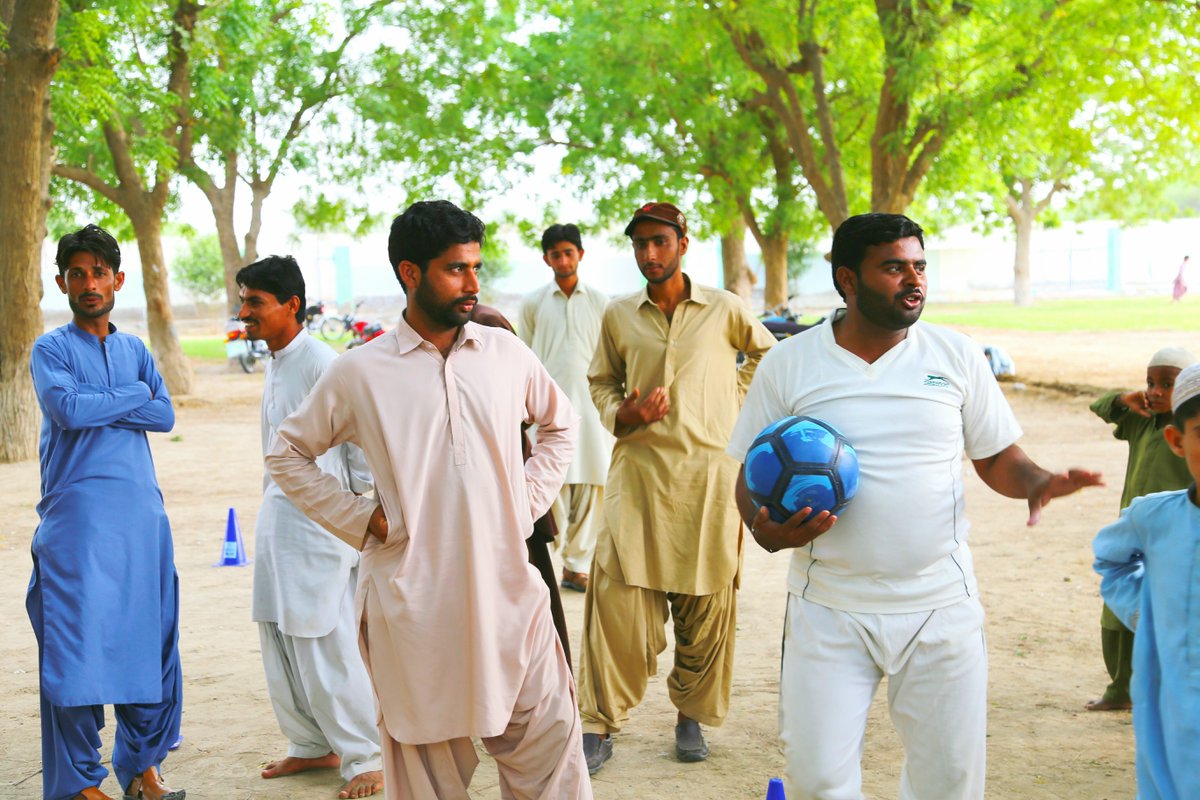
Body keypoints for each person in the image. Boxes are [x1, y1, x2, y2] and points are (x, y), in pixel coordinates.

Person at [726, 212, 1103, 800]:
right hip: (829, 607)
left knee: (948, 784)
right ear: (847, 280)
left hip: (939, 605)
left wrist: (1036, 482)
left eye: (920, 266)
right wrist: (767, 531)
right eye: (894, 267)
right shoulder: (790, 363)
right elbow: (749, 480)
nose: (914, 280)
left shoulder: (954, 355)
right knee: (818, 781)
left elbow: (998, 456)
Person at [265, 200, 591, 799]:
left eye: (475, 266)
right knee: (425, 772)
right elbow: (288, 454)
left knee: (550, 744)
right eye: (455, 269)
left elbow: (561, 426)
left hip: (508, 593)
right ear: (410, 273)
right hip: (414, 602)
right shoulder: (360, 372)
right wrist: (361, 518)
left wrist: (520, 501)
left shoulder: (505, 353)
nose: (472, 283)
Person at [578, 202, 777, 773]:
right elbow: (600, 383)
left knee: (707, 601)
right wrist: (625, 412)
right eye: (640, 244)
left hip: (710, 480)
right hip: (637, 479)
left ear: (683, 242)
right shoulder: (619, 315)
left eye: (660, 242)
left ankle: (691, 714)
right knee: (615, 602)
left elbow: (765, 353)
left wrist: (732, 403)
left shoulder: (723, 308)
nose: (649, 254)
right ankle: (598, 722)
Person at [27, 224, 185, 800]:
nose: (89, 283)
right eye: (77, 273)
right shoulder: (50, 348)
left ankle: (144, 772)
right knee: (77, 648)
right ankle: (78, 784)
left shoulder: (135, 348)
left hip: (142, 521)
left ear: (118, 279)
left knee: (149, 639)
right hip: (78, 525)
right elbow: (67, 409)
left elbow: (166, 416)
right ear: (62, 282)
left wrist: (122, 401)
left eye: (99, 272)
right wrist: (134, 396)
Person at [235, 256, 384, 798]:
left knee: (325, 641)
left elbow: (361, 449)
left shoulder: (323, 362)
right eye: (244, 300)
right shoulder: (278, 361)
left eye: (255, 301)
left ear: (291, 305)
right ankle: (311, 744)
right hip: (278, 519)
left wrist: (357, 511)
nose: (244, 311)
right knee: (278, 634)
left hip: (318, 526)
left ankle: (365, 756)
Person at [1093, 360, 1200, 800]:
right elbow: (1111, 561)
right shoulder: (1154, 517)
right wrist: (1146, 610)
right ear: (1176, 440)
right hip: (1174, 708)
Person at [1085, 346, 1195, 712]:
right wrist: (1124, 397)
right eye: (1151, 382)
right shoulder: (1140, 420)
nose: (1156, 391)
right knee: (1117, 608)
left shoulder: (1187, 432)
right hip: (1134, 534)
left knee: (1164, 613)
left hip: (1172, 538)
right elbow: (1100, 407)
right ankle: (1119, 689)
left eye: (1168, 384)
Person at [469, 301, 573, 667]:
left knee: (531, 619)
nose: (467, 282)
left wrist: (526, 500)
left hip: (508, 498)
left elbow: (548, 419)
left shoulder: (486, 324)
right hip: (458, 516)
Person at [519, 223, 613, 593]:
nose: (562, 259)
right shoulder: (533, 303)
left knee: (593, 485)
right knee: (547, 485)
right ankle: (543, 567)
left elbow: (612, 357)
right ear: (546, 259)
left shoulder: (601, 301)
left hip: (592, 411)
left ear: (580, 254)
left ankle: (577, 566)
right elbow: (524, 357)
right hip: (547, 411)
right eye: (555, 254)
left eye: (568, 252)